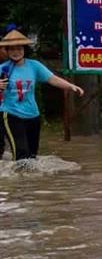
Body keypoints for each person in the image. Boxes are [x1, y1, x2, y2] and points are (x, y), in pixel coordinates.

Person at [0, 30, 84, 161]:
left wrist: (70, 86)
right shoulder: (3, 69)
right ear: (7, 51)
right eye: (12, 49)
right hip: (11, 114)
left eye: (19, 48)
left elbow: (52, 79)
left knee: (32, 155)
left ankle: (33, 181)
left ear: (24, 49)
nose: (16, 52)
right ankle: (19, 180)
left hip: (33, 114)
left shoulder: (34, 66)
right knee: (21, 153)